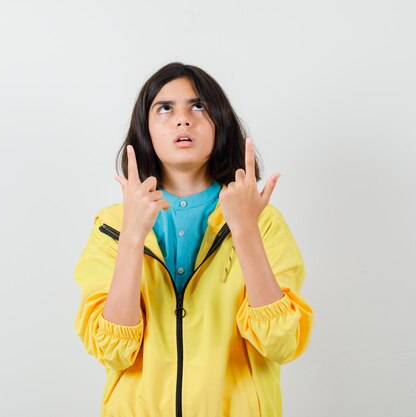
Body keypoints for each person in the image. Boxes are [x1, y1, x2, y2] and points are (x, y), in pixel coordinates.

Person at [74, 62, 313, 417]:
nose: (182, 120)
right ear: (146, 130)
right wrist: (132, 237)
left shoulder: (261, 220)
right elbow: (113, 352)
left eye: (198, 106)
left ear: (220, 124)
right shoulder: (112, 224)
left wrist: (245, 231)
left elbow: (281, 342)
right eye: (165, 108)